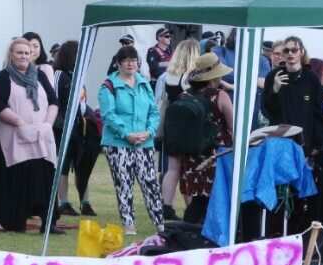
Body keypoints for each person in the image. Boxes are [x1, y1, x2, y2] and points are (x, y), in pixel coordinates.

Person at [0, 38, 61, 234]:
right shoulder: (4, 77)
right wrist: (20, 123)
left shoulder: (40, 76)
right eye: (19, 52)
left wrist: (47, 124)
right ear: (11, 54)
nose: (23, 56)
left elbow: (54, 101)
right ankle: (16, 221)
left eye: (26, 53)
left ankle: (48, 222)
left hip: (40, 136)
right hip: (16, 137)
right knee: (18, 179)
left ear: (32, 55)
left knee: (44, 178)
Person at [99, 45, 163, 236]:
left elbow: (154, 112)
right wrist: (126, 134)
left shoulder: (144, 84)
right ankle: (128, 223)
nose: (130, 64)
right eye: (126, 60)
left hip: (145, 143)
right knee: (124, 183)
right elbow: (108, 115)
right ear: (118, 64)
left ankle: (160, 223)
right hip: (119, 144)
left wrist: (149, 132)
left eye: (133, 60)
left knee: (150, 182)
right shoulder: (108, 86)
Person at [163, 52, 234, 224]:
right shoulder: (220, 96)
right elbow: (233, 127)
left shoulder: (184, 96)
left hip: (192, 157)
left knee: (197, 201)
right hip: (215, 156)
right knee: (210, 201)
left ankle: (185, 227)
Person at [53, 39, 101, 218]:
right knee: (63, 165)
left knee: (82, 164)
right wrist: (60, 123)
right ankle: (63, 202)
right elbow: (55, 100)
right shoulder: (59, 74)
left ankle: (85, 201)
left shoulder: (78, 75)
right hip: (63, 127)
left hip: (80, 125)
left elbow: (82, 101)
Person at [156, 38, 201, 220]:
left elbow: (161, 100)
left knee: (172, 169)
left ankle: (166, 206)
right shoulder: (193, 77)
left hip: (171, 123)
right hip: (189, 125)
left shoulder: (167, 76)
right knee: (189, 168)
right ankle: (191, 209)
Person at [263, 36, 323, 154]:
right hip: (279, 141)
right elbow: (267, 110)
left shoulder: (311, 78)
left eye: (294, 50)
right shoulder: (273, 76)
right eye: (286, 50)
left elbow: (318, 113)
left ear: (302, 52)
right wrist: (275, 90)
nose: (290, 54)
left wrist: (317, 143)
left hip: (304, 141)